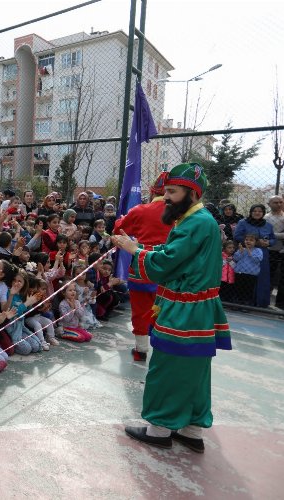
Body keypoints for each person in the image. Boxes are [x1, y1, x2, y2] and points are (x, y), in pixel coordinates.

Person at [112, 162, 231, 453]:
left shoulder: (194, 223)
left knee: (166, 367)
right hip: (198, 308)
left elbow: (164, 263)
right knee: (193, 369)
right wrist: (142, 248)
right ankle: (191, 429)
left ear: (192, 192)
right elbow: (171, 254)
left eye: (172, 192)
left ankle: (160, 428)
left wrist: (134, 250)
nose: (165, 198)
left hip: (184, 309)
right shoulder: (199, 220)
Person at [112, 172, 172, 361]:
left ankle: (141, 349)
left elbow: (118, 229)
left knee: (140, 309)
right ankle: (164, 350)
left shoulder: (140, 210)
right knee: (167, 311)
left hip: (141, 268)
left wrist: (124, 220)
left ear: (153, 192)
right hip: (168, 270)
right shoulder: (182, 215)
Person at [233, 204, 275, 308]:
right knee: (245, 278)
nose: (257, 213)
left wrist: (268, 242)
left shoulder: (268, 225)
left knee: (261, 277)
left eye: (260, 211)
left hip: (262, 255)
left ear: (263, 213)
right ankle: (241, 301)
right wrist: (253, 242)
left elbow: (273, 239)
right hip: (246, 253)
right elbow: (237, 236)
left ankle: (259, 302)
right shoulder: (243, 222)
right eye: (254, 211)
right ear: (251, 212)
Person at [264, 195, 284, 310]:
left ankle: (279, 304)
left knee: (281, 278)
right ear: (269, 204)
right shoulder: (266, 218)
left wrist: (273, 235)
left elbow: (269, 235)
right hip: (269, 250)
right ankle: (265, 300)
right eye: (275, 202)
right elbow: (264, 235)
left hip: (282, 251)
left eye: (280, 202)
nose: (279, 204)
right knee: (268, 276)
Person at [232, 234, 264, 306]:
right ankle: (236, 303)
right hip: (240, 272)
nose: (248, 241)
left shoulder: (258, 250)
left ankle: (246, 304)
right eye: (246, 240)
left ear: (256, 242)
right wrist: (240, 252)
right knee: (238, 288)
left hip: (251, 274)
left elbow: (258, 259)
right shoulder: (242, 249)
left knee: (248, 290)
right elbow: (235, 258)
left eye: (251, 240)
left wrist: (249, 251)